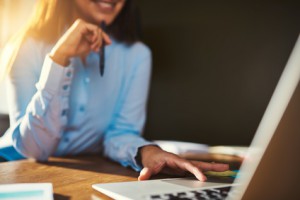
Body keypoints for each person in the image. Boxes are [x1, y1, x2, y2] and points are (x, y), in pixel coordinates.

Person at [0, 0, 228, 181]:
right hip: (13, 168)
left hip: (86, 173)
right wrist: (59, 60)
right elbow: (34, 150)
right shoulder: (26, 46)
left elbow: (120, 132)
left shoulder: (137, 55)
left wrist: (147, 152)